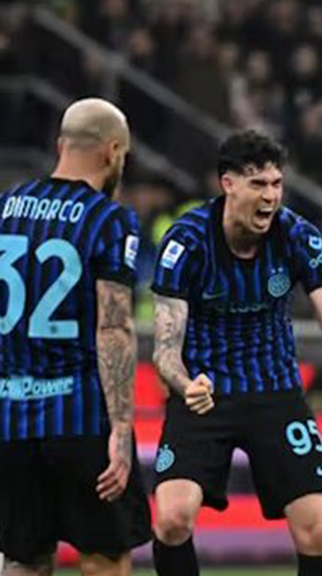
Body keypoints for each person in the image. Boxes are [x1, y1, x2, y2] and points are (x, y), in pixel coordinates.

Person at [149, 130, 322, 576]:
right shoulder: (187, 241)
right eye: (258, 184)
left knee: (317, 530)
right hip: (203, 393)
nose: (270, 196)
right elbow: (164, 347)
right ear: (228, 184)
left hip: (275, 390)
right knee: (172, 519)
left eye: (276, 184)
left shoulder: (298, 236)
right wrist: (183, 384)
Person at [0, 98, 151, 575]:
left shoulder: (6, 208)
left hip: (10, 419)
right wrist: (121, 430)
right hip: (79, 416)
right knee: (104, 559)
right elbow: (114, 326)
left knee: (22, 559)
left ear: (60, 144)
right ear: (112, 151)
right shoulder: (110, 220)